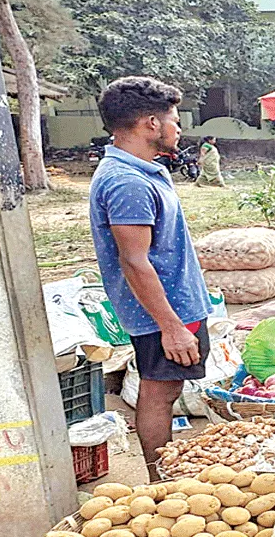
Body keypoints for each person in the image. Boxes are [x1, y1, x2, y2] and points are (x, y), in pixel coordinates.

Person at [89, 77, 211, 481]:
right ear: (151, 123)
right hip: (164, 309)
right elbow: (135, 262)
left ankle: (165, 475)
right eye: (174, 120)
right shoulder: (127, 182)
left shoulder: (143, 171)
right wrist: (171, 327)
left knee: (168, 389)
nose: (179, 129)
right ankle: (161, 480)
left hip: (175, 304)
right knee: (159, 393)